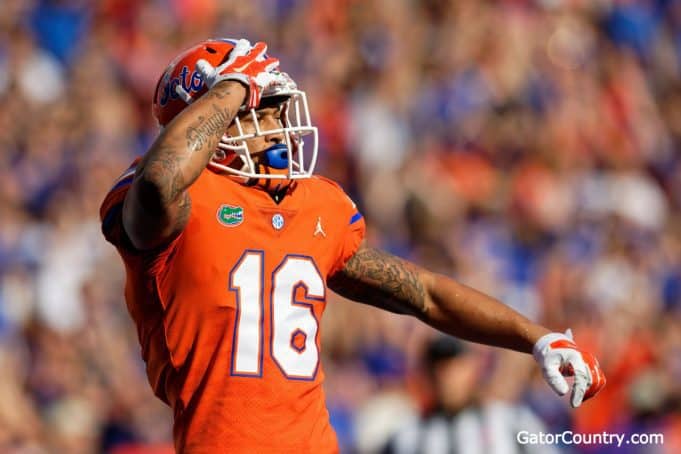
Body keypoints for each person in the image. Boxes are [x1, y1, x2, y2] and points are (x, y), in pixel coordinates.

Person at [99, 38, 606, 453]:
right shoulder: (177, 203)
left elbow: (424, 293)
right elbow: (159, 182)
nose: (280, 126)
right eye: (263, 112)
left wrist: (535, 337)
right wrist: (232, 87)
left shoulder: (314, 206)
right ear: (208, 117)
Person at [383, 336, 557, 454]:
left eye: (455, 367)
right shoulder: (407, 435)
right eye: (438, 368)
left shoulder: (513, 423)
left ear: (474, 368)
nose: (446, 377)